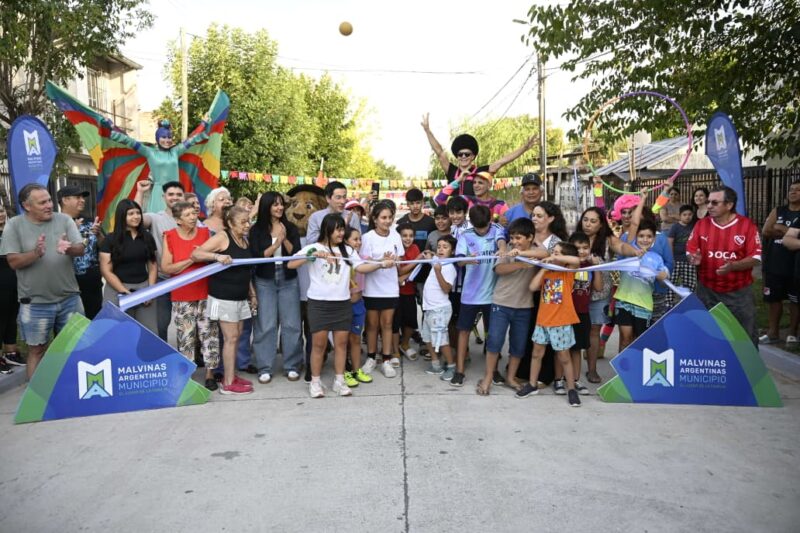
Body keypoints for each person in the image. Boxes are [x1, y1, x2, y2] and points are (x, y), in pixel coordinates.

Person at [287, 214, 394, 398]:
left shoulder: (348, 250)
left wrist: (381, 265)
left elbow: (361, 267)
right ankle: (315, 381)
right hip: (318, 304)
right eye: (337, 229)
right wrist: (310, 257)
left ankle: (339, 380)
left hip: (342, 303)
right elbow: (291, 264)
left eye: (342, 229)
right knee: (318, 345)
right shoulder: (314, 247)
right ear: (327, 229)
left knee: (341, 344)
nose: (341, 233)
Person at [0, 183, 85, 380]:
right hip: (35, 302)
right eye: (42, 202)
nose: (49, 205)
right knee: (37, 351)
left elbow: (80, 249)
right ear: (27, 206)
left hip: (69, 298)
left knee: (75, 348)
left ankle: (74, 395)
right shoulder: (14, 225)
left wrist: (69, 248)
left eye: (49, 200)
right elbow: (13, 262)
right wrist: (36, 253)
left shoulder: (64, 220)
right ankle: (35, 402)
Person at [191, 206, 256, 395]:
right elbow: (196, 254)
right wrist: (217, 256)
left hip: (241, 295)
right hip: (223, 296)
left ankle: (232, 375)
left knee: (238, 337)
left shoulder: (244, 239)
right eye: (243, 222)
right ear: (230, 223)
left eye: (248, 221)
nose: (247, 225)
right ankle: (227, 383)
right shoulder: (222, 237)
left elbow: (246, 269)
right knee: (230, 338)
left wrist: (252, 294)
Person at [686, 186, 762, 347]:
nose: (709, 206)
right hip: (707, 291)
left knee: (744, 337)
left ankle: (746, 370)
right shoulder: (702, 225)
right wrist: (693, 258)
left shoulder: (746, 226)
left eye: (714, 202)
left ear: (729, 205)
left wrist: (733, 266)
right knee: (707, 336)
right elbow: (690, 250)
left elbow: (756, 257)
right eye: (708, 202)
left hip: (739, 293)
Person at [477, 218, 541, 395]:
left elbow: (545, 253)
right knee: (494, 342)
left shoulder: (536, 253)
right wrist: (519, 262)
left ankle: (510, 377)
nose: (514, 241)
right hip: (501, 303)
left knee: (518, 345)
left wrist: (528, 254)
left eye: (519, 237)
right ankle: (488, 377)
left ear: (530, 238)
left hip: (524, 306)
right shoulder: (507, 253)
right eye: (512, 237)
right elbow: (499, 270)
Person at [578, 206, 641, 383]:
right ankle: (568, 374)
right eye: (585, 219)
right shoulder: (574, 239)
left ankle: (591, 370)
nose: (588, 224)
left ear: (600, 225)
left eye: (593, 221)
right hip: (576, 293)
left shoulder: (607, 240)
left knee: (594, 330)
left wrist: (635, 252)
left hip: (600, 294)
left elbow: (622, 247)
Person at [161, 200, 219, 391]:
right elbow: (167, 267)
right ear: (178, 220)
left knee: (209, 334)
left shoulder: (205, 234)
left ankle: (210, 374)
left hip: (205, 292)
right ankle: (187, 375)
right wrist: (191, 259)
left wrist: (202, 256)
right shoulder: (169, 236)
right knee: (186, 337)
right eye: (188, 215)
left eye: (194, 213)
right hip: (182, 295)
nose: (193, 217)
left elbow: (212, 257)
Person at [516, 242, 582, 407]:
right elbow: (532, 287)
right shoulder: (547, 273)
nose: (553, 255)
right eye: (553, 251)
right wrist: (544, 268)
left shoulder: (567, 273)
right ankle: (532, 384)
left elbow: (576, 260)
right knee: (536, 353)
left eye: (558, 253)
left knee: (564, 357)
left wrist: (554, 257)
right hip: (542, 321)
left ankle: (571, 389)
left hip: (561, 322)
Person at [249, 192, 304, 384]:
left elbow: (297, 254)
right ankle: (264, 367)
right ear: (266, 207)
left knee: (292, 324)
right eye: (275, 205)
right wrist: (277, 243)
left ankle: (292, 365)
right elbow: (258, 256)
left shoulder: (290, 227)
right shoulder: (256, 230)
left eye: (281, 205)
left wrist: (285, 238)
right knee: (266, 324)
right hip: (265, 279)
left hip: (288, 278)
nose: (280, 208)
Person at [103, 117, 209, 213]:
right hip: (159, 194)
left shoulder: (175, 152)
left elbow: (192, 140)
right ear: (157, 138)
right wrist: (113, 127)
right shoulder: (149, 152)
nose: (167, 140)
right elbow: (129, 141)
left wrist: (203, 125)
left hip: (176, 194)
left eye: (169, 137)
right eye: (163, 137)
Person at [451, 205, 507, 387]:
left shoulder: (497, 229)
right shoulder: (465, 235)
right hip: (470, 295)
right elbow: (458, 261)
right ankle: (459, 371)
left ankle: (494, 370)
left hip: (493, 295)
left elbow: (501, 242)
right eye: (478, 228)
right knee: (464, 332)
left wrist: (502, 248)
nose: (482, 231)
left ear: (490, 221)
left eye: (485, 228)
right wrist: (468, 259)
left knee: (494, 335)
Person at [421, 113, 536, 199]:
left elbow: (502, 161)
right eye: (460, 154)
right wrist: (427, 130)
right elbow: (439, 152)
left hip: (475, 217)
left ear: (473, 156)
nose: (463, 156)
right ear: (457, 156)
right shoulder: (451, 171)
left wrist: (524, 148)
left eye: (467, 154)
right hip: (455, 217)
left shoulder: (481, 171)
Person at [613, 201, 670, 351]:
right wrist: (643, 198)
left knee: (639, 342)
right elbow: (633, 223)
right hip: (623, 301)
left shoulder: (656, 259)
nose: (645, 239)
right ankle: (622, 373)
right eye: (641, 236)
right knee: (625, 339)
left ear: (654, 239)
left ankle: (637, 373)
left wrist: (663, 275)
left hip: (644, 305)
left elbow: (664, 278)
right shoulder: (629, 250)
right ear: (635, 237)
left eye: (649, 236)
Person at [134, 179, 185, 341]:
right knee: (161, 325)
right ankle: (161, 361)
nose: (175, 197)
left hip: (187, 280)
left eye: (178, 194)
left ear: (184, 197)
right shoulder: (155, 218)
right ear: (164, 197)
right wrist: (141, 192)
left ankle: (189, 360)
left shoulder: (193, 220)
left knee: (187, 325)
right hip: (163, 280)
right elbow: (136, 219)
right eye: (171, 194)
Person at [99, 199, 158, 333]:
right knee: (116, 332)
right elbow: (106, 271)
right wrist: (125, 292)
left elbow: (153, 266)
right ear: (122, 216)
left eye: (138, 213)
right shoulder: (111, 239)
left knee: (148, 332)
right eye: (131, 213)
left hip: (144, 288)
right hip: (117, 290)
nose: (136, 216)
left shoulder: (147, 237)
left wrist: (150, 292)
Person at [361, 202, 405, 378]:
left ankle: (386, 359)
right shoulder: (368, 237)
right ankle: (371, 357)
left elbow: (400, 259)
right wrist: (381, 262)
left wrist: (394, 260)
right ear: (375, 219)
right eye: (383, 218)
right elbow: (364, 262)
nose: (387, 221)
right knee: (372, 325)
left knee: (387, 324)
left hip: (390, 288)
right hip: (371, 288)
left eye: (390, 217)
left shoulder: (395, 236)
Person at [560, 232, 602, 396]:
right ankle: (560, 379)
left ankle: (575, 379)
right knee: (562, 348)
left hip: (582, 313)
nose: (582, 251)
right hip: (564, 312)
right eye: (578, 248)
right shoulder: (565, 265)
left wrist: (596, 267)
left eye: (585, 247)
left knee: (577, 348)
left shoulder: (590, 267)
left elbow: (598, 287)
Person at [759, 180, 800, 345]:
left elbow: (776, 229)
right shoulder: (779, 210)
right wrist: (792, 234)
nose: (793, 192)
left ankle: (792, 333)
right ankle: (772, 332)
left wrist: (782, 229)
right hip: (775, 263)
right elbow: (767, 230)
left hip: (795, 265)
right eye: (791, 189)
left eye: (798, 190)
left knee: (795, 300)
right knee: (773, 299)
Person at [57, 185, 104, 319]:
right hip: (66, 286)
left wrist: (99, 234)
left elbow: (104, 247)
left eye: (83, 197)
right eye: (78, 197)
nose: (82, 200)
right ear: (65, 200)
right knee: (69, 329)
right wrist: (72, 230)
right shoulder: (54, 223)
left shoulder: (90, 221)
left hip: (91, 285)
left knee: (92, 324)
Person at [420, 235, 458, 376]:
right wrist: (430, 255)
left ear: (452, 251)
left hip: (440, 309)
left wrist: (437, 272)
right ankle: (436, 364)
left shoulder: (449, 267)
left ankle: (451, 366)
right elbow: (433, 257)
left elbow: (446, 289)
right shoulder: (438, 260)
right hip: (429, 308)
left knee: (441, 340)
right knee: (427, 338)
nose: (441, 249)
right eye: (439, 246)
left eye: (445, 247)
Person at [343, 227, 373, 387]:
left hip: (358, 305)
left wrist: (384, 261)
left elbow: (374, 261)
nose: (359, 242)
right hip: (343, 307)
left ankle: (356, 369)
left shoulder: (363, 258)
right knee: (342, 342)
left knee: (356, 339)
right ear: (346, 241)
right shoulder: (341, 259)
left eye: (360, 239)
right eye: (355, 239)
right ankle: (344, 371)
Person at [434, 171, 509, 222]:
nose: (476, 185)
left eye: (480, 183)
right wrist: (458, 181)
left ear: (489, 186)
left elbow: (509, 226)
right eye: (474, 182)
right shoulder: (466, 200)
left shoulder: (499, 205)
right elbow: (439, 199)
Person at [394, 222, 421, 360]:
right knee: (395, 323)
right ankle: (394, 350)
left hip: (409, 291)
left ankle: (404, 344)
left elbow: (413, 271)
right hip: (395, 292)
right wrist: (418, 259)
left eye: (411, 236)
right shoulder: (395, 248)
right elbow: (400, 270)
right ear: (398, 236)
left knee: (410, 321)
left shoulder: (415, 248)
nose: (408, 238)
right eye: (404, 235)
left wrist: (404, 276)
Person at [0, 205, 21, 372]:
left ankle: (11, 352)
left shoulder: (11, 232)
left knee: (11, 317)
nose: (0, 214)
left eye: (1, 210)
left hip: (14, 283)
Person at [667, 204, 698, 307]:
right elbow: (670, 242)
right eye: (684, 214)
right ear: (680, 216)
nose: (687, 216)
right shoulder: (675, 227)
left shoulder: (694, 226)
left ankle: (686, 302)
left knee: (690, 282)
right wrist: (671, 258)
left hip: (689, 260)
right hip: (676, 259)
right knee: (672, 281)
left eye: (689, 214)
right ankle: (669, 303)